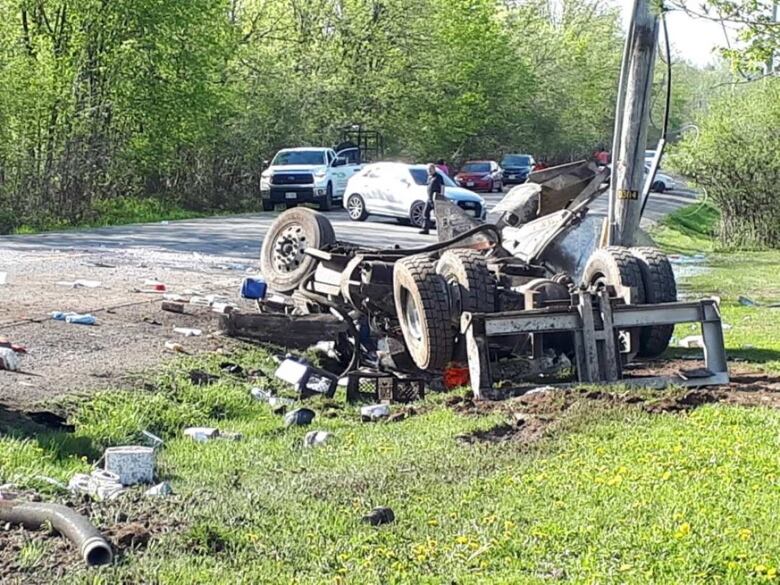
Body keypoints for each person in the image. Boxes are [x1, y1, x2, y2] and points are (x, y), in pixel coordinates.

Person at [421, 163, 444, 235]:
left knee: (438, 215)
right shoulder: (429, 177)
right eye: (428, 170)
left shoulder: (438, 177)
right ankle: (425, 229)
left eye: (431, 169)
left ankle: (442, 231)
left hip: (436, 198)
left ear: (434, 169)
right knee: (425, 213)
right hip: (429, 198)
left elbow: (442, 186)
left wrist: (442, 196)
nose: (429, 171)